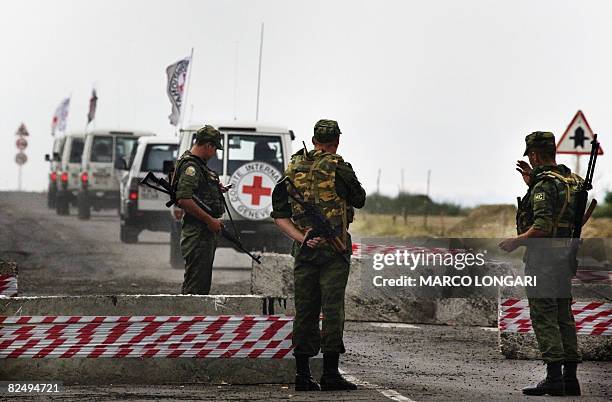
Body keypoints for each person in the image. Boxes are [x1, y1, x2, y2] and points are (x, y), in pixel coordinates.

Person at [271, 119, 366, 392]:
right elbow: (359, 199)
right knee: (332, 309)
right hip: (334, 251)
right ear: (336, 142)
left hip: (304, 251)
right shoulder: (340, 168)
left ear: (313, 141)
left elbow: (279, 215)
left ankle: (302, 375)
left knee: (306, 309)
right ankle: (330, 374)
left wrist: (303, 239)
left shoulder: (293, 167)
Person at [499, 131, 583, 396]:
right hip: (564, 258)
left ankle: (553, 378)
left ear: (534, 155)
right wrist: (531, 182)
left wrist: (517, 241)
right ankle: (570, 378)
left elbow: (543, 227)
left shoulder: (545, 185)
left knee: (544, 315)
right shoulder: (572, 181)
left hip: (544, 260)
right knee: (563, 315)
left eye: (531, 157)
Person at [173, 125, 228, 295]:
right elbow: (184, 199)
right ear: (208, 145)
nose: (214, 154)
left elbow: (197, 192)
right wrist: (209, 220)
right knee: (195, 288)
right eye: (214, 149)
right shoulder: (192, 166)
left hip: (203, 233)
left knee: (200, 284)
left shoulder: (198, 166)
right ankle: (189, 320)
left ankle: (191, 319)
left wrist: (214, 188)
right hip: (198, 234)